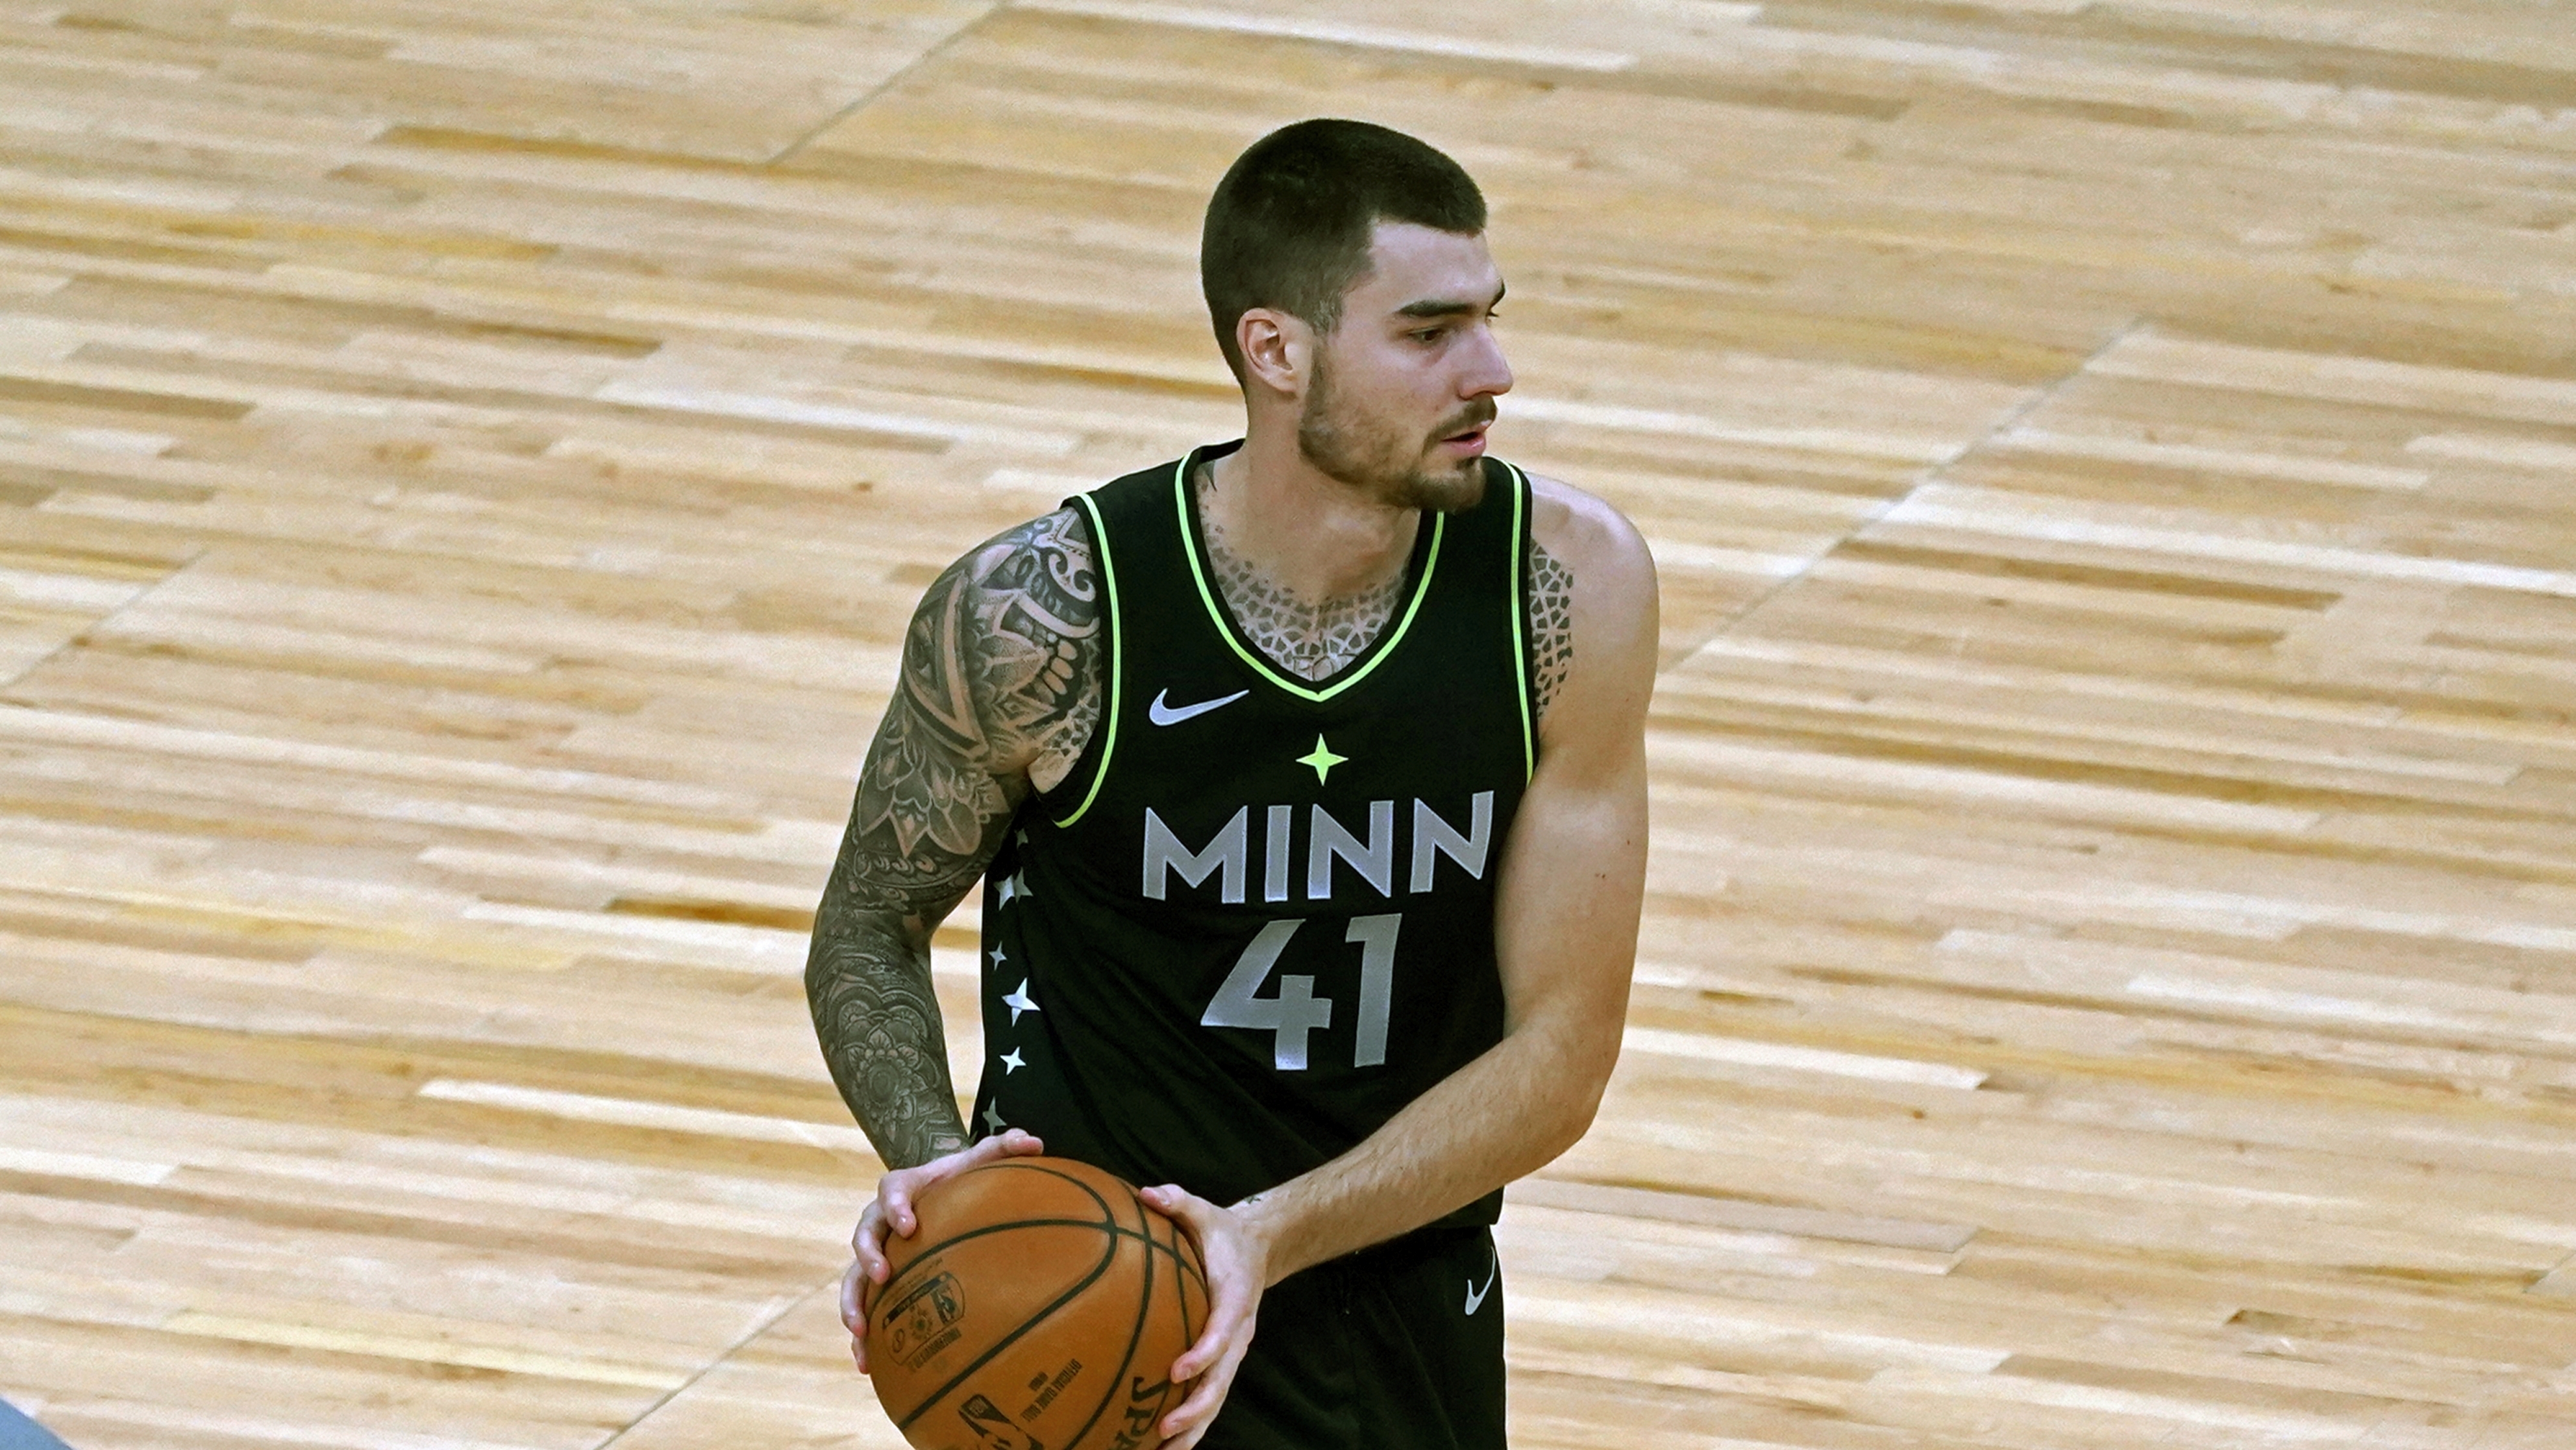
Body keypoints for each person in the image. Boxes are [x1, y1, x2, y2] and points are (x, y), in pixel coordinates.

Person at [804, 117, 1656, 1450]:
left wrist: (1268, 1235)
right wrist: (927, 1163)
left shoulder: (1561, 590)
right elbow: (869, 919)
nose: (1491, 370)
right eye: (1428, 333)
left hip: (1392, 1299)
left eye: (1488, 320)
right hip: (1091, 1324)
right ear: (1275, 350)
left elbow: (1561, 1056)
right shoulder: (1050, 614)